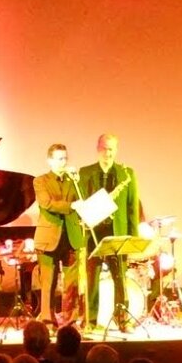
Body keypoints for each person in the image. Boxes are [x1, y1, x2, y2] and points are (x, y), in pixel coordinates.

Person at [78, 132, 144, 331]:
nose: (108, 153)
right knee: (92, 281)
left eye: (112, 149)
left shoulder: (127, 173)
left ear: (116, 150)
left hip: (118, 234)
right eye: (105, 149)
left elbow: (132, 208)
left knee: (120, 280)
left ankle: (123, 320)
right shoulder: (85, 172)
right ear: (98, 149)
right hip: (94, 235)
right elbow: (81, 203)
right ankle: (90, 321)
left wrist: (133, 239)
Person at [32, 143, 86, 326]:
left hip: (71, 236)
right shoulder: (40, 181)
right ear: (50, 160)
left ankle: (70, 320)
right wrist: (71, 206)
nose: (63, 162)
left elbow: (83, 201)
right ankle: (48, 320)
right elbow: (47, 203)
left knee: (72, 283)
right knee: (48, 282)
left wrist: (77, 181)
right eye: (59, 158)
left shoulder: (73, 181)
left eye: (65, 158)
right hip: (49, 238)